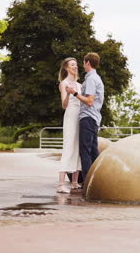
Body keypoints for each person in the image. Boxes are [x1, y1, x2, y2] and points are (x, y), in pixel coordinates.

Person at [66, 52, 104, 182]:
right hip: (93, 118)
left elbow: (89, 101)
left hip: (88, 118)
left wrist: (74, 93)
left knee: (85, 151)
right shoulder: (95, 78)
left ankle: (87, 182)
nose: (82, 65)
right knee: (93, 151)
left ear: (87, 63)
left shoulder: (91, 79)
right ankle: (99, 179)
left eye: (83, 62)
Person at [56, 57, 82, 193]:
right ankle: (60, 184)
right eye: (72, 65)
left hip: (80, 116)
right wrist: (67, 93)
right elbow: (64, 105)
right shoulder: (64, 83)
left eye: (76, 65)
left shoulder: (79, 85)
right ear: (66, 68)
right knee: (68, 146)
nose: (75, 67)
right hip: (70, 115)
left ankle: (74, 182)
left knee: (78, 147)